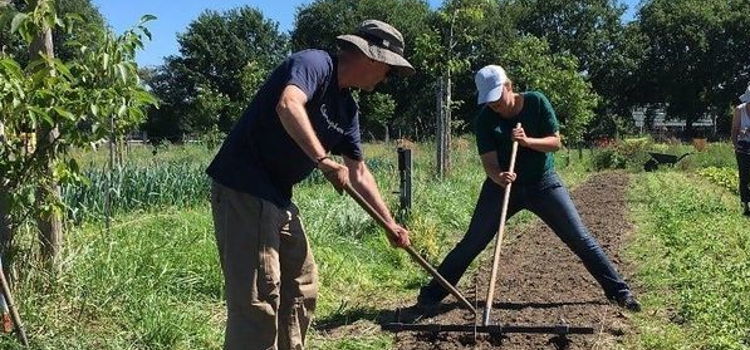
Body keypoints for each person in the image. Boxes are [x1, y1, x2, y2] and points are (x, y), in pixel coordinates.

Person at [206, 20, 414, 350]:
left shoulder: (348, 109)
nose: (387, 79)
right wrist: (322, 160)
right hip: (244, 185)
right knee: (258, 297)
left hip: (278, 195)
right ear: (373, 58)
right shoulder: (315, 64)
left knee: (302, 286)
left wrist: (388, 223)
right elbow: (289, 104)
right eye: (389, 70)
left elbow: (358, 172)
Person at [417, 65, 641, 312]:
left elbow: (555, 143)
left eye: (497, 97)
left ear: (509, 86)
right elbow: (489, 164)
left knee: (579, 238)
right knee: (473, 242)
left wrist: (527, 141)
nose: (494, 105)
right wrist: (499, 176)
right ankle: (431, 295)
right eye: (488, 100)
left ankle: (620, 292)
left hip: (542, 184)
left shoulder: (536, 102)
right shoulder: (485, 121)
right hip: (502, 188)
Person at [731, 84, 750, 217]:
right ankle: (745, 204)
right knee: (744, 177)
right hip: (743, 148)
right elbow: (734, 130)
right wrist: (736, 145)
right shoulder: (740, 110)